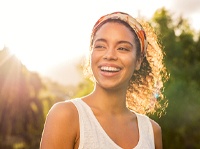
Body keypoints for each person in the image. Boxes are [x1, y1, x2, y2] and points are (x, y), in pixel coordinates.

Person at [40, 11, 168, 149]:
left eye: (122, 48)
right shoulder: (66, 116)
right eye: (100, 46)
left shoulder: (151, 131)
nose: (109, 55)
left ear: (138, 61)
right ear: (91, 54)